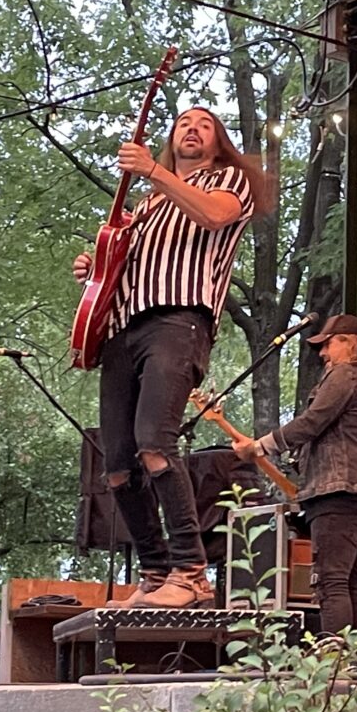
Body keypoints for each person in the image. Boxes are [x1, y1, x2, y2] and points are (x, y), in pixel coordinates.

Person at [72, 106, 267, 609]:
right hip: (123, 328)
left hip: (179, 320)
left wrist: (155, 172)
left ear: (217, 141)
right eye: (184, 123)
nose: (193, 129)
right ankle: (156, 573)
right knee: (115, 465)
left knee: (155, 443)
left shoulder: (227, 181)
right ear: (171, 137)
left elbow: (215, 214)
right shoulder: (147, 205)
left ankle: (192, 570)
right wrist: (95, 269)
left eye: (205, 124)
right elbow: (119, 266)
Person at [232, 314, 357, 637]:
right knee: (354, 584)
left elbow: (311, 421)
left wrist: (260, 447)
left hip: (336, 494)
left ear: (348, 343)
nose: (322, 353)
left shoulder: (344, 375)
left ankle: (335, 666)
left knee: (331, 581)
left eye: (328, 344)